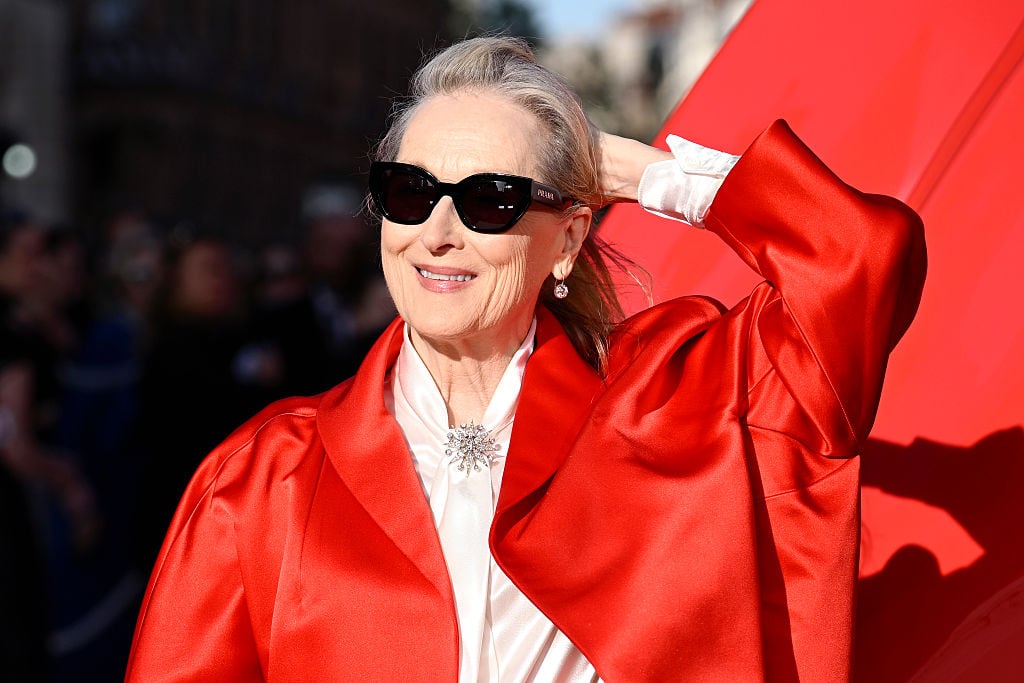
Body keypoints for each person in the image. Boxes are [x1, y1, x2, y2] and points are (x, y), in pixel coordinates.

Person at [125, 37, 926, 681]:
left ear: (570, 239)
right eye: (410, 191)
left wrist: (648, 175)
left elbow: (859, 260)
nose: (438, 230)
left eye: (489, 198)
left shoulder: (685, 397)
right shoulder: (262, 477)